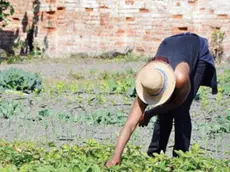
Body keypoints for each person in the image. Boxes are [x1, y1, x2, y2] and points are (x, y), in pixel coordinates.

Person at [105, 32, 218, 168]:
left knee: (181, 111)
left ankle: (180, 160)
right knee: (164, 112)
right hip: (170, 44)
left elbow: (178, 102)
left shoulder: (180, 77)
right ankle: (154, 156)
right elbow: (130, 123)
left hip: (196, 49)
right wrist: (116, 156)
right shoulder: (148, 81)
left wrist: (150, 113)